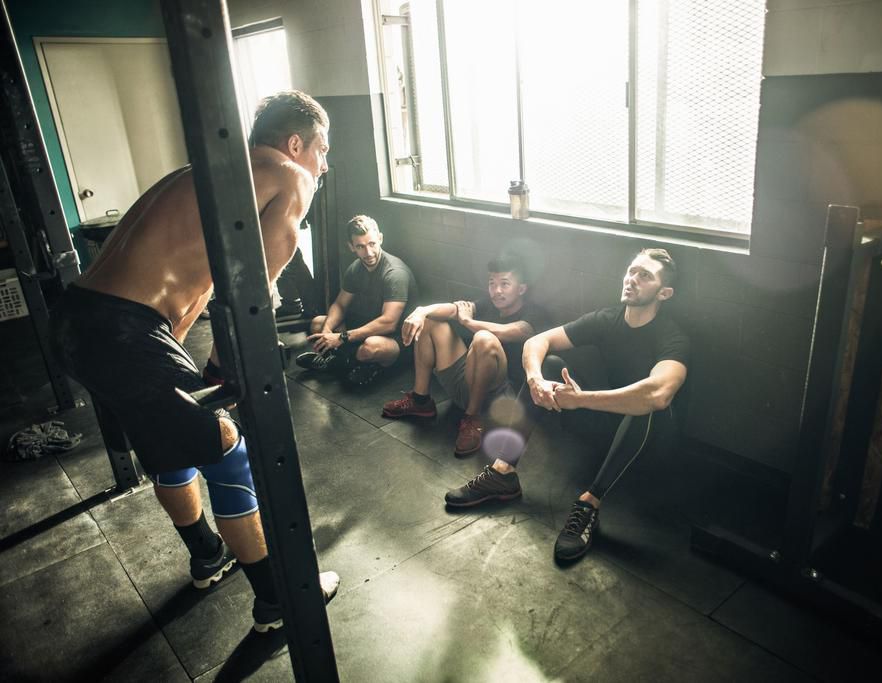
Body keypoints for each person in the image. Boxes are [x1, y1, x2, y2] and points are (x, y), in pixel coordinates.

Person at [49, 90, 338, 632]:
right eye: (323, 149)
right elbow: (253, 292)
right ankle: (278, 599)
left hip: (75, 321)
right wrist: (224, 369)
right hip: (121, 332)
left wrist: (198, 370)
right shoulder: (290, 175)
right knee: (227, 447)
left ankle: (207, 553)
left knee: (165, 437)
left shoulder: (204, 174)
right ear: (295, 143)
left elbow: (194, 290)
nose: (325, 164)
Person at [444, 248, 690, 562]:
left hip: (649, 441)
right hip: (604, 425)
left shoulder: (672, 337)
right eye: (632, 271)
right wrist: (535, 379)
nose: (633, 279)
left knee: (649, 406)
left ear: (664, 293)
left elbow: (658, 394)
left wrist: (581, 400)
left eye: (645, 276)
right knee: (548, 364)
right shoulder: (608, 318)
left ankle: (589, 502)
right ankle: (502, 472)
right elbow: (537, 342)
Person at [381, 252, 549, 455]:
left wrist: (469, 322)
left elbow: (515, 332)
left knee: (484, 338)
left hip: (499, 398)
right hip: (466, 384)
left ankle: (472, 418)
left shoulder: (535, 313)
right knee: (432, 321)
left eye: (505, 284)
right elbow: (452, 309)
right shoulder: (488, 303)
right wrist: (421, 311)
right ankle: (420, 400)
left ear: (521, 288)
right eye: (492, 283)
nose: (496, 291)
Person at [294, 215, 417, 387]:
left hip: (396, 340)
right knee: (317, 324)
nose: (368, 253)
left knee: (370, 347)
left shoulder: (394, 273)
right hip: (365, 327)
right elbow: (340, 304)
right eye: (360, 246)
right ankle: (347, 362)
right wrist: (328, 330)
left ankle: (342, 362)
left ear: (380, 238)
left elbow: (388, 323)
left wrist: (342, 338)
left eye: (372, 244)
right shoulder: (355, 269)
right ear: (351, 247)